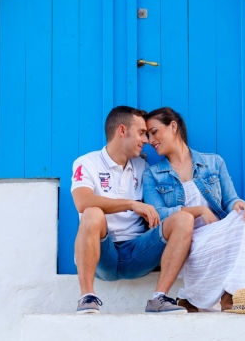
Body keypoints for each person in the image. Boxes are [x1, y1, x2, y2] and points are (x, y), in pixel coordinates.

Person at [71, 106, 194, 314]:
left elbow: (159, 208)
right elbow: (82, 202)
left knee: (184, 219)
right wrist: (130, 203)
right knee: (92, 212)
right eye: (141, 133)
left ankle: (159, 297)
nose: (146, 140)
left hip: (139, 252)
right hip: (103, 254)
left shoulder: (142, 168)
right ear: (122, 131)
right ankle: (87, 297)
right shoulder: (86, 163)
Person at [142, 107, 245, 312]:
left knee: (243, 217)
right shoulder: (152, 174)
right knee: (228, 224)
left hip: (214, 233)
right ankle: (195, 297)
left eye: (154, 131)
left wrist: (240, 205)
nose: (150, 140)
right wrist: (199, 211)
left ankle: (232, 296)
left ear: (173, 127)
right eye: (147, 135)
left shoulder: (214, 162)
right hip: (183, 242)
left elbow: (230, 200)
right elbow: (158, 214)